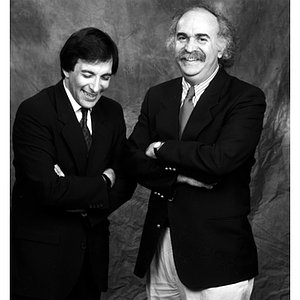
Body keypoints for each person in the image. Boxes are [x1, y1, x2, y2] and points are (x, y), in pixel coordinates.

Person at [127, 2, 266, 300]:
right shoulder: (157, 95)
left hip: (217, 258)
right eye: (182, 37)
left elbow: (220, 160)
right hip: (161, 250)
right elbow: (132, 158)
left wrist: (161, 148)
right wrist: (174, 179)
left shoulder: (246, 98)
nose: (190, 47)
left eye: (202, 38)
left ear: (221, 46)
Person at [11, 27, 136, 300]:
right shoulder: (35, 112)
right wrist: (103, 181)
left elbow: (125, 181)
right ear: (67, 70)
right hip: (42, 264)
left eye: (105, 77)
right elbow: (50, 190)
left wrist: (73, 190)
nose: (96, 87)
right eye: (88, 74)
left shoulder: (112, 112)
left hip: (91, 260)